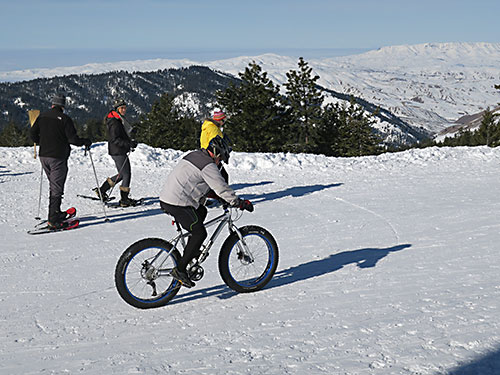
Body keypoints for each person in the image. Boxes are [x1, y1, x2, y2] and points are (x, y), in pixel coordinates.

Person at [159, 135, 253, 288]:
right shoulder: (208, 165)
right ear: (216, 154)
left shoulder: (195, 155)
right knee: (200, 233)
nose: (220, 162)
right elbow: (221, 187)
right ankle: (180, 269)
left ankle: (192, 250)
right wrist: (239, 203)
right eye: (220, 158)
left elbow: (197, 181)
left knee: (201, 212)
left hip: (169, 198)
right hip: (178, 202)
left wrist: (216, 196)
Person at [30, 94, 92, 229]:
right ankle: (53, 220)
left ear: (52, 104)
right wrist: (85, 141)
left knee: (54, 185)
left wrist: (42, 142)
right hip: (57, 157)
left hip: (44, 156)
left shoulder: (42, 116)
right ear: (63, 106)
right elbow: (73, 140)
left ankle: (56, 213)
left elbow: (32, 134)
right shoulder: (65, 119)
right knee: (56, 188)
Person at [94, 98, 139, 207]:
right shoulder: (114, 122)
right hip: (118, 151)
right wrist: (129, 144)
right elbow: (115, 139)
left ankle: (102, 190)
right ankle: (124, 200)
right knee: (126, 174)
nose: (124, 110)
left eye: (125, 108)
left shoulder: (117, 119)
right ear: (117, 109)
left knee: (122, 174)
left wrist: (130, 139)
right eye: (121, 108)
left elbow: (121, 135)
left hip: (118, 150)